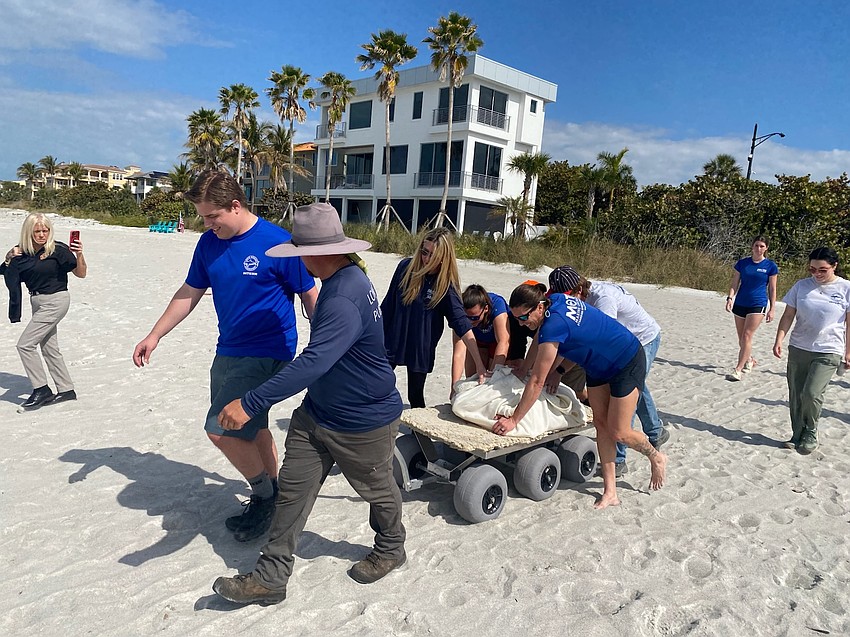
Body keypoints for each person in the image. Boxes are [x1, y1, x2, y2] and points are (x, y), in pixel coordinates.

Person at [211, 202, 406, 606]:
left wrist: (251, 402)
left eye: (302, 255)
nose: (299, 263)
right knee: (293, 493)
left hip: (362, 421)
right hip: (318, 414)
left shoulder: (344, 296)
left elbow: (315, 361)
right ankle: (270, 577)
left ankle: (391, 547)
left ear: (321, 253)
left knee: (379, 490)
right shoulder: (345, 276)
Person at [132, 170, 318, 542]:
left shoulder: (278, 243)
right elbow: (190, 291)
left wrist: (329, 347)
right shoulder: (208, 244)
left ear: (235, 206)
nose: (207, 224)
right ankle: (275, 492)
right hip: (228, 349)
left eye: (212, 216)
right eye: (203, 216)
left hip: (269, 351)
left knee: (221, 429)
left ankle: (264, 497)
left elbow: (310, 296)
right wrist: (155, 334)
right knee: (255, 426)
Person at [499, 283, 667, 509]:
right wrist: (537, 370)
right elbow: (563, 338)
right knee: (601, 424)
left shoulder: (553, 326)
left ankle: (655, 456)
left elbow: (537, 381)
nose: (521, 323)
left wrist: (514, 420)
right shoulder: (555, 300)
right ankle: (610, 492)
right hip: (597, 366)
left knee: (620, 431)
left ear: (539, 307)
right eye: (516, 318)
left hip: (626, 360)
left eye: (523, 317)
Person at [548, 266, 669, 477]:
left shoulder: (603, 300)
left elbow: (603, 342)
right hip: (626, 346)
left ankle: (620, 459)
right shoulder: (582, 299)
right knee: (636, 390)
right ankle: (656, 431)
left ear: (578, 290)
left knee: (625, 397)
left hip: (643, 338)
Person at [381, 227, 485, 407]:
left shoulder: (445, 286)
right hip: (392, 339)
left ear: (444, 258)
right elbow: (387, 306)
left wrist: (480, 365)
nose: (426, 259)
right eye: (424, 252)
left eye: (433, 256)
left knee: (415, 396)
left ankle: (419, 434)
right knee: (377, 386)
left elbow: (462, 325)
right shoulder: (405, 268)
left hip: (420, 347)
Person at [2, 212, 86, 409]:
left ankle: (41, 389)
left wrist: (79, 254)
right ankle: (66, 389)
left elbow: (81, 274)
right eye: (37, 231)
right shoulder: (22, 252)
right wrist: (8, 256)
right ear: (28, 232)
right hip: (37, 301)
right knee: (48, 346)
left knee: (25, 345)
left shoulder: (59, 250)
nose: (42, 234)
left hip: (56, 300)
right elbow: (5, 272)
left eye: (45, 230)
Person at [772, 247, 850, 454]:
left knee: (811, 393)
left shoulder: (846, 288)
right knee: (796, 393)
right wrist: (779, 338)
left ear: (834, 266)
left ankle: (811, 431)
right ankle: (797, 433)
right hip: (799, 346)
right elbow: (788, 315)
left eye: (822, 270)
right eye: (812, 269)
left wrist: (848, 352)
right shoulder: (801, 286)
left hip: (828, 349)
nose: (816, 274)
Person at [725, 236, 779, 381]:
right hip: (741, 302)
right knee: (741, 338)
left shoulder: (770, 266)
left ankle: (738, 369)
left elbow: (772, 289)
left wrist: (772, 308)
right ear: (752, 246)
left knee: (747, 335)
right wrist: (730, 298)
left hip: (758, 303)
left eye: (762, 246)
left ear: (766, 248)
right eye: (756, 245)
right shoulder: (743, 263)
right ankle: (749, 360)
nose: (759, 249)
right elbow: (734, 283)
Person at [450, 284, 512, 393]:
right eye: (466, 318)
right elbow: (458, 353)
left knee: (490, 380)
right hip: (476, 341)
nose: (470, 322)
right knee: (472, 379)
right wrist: (454, 386)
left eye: (474, 318)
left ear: (486, 309)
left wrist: (491, 378)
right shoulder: (458, 313)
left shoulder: (497, 305)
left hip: (496, 341)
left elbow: (504, 342)